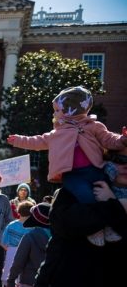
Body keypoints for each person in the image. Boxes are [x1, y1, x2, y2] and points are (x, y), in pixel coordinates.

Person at [24, 147, 127, 287]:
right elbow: (68, 225)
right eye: (120, 160)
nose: (126, 166)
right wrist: (114, 207)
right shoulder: (73, 191)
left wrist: (113, 203)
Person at [8, 86, 127, 245]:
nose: (54, 114)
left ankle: (110, 228)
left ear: (71, 110)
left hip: (95, 168)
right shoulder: (57, 133)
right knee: (86, 196)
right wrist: (18, 140)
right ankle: (96, 230)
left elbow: (110, 140)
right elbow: (37, 141)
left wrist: (123, 140)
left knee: (103, 194)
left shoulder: (94, 126)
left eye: (57, 110)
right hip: (72, 175)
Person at [0, 200, 34, 287]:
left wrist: (11, 250)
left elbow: (2, 242)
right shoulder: (32, 228)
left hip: (10, 254)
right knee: (19, 286)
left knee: (12, 285)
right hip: (24, 258)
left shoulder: (11, 225)